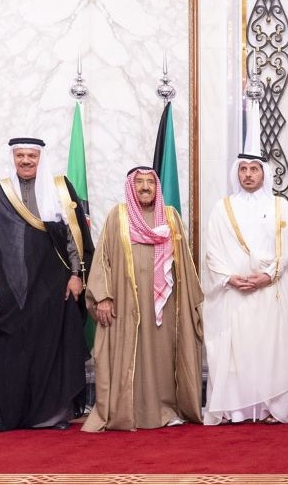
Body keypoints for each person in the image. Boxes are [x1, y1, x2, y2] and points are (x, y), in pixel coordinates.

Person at [0, 137, 93, 432]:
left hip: (55, 285)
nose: (26, 161)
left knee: (53, 351)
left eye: (31, 156)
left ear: (41, 158)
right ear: (12, 158)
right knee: (14, 352)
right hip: (11, 287)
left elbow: (74, 237)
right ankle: (12, 417)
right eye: (20, 156)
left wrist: (76, 275)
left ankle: (53, 416)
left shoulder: (60, 189)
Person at [82, 166, 204, 432]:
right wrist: (103, 297)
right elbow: (102, 259)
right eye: (139, 183)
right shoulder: (118, 217)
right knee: (130, 356)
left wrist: (190, 306)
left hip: (166, 306)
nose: (145, 187)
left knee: (163, 356)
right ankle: (129, 412)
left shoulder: (170, 218)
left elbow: (184, 263)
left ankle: (166, 408)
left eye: (150, 182)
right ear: (130, 187)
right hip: (126, 304)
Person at [202, 154, 288, 424]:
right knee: (236, 352)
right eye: (243, 169)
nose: (249, 174)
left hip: (270, 292)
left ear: (264, 174)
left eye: (254, 169)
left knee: (271, 350)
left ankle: (271, 408)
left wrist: (268, 275)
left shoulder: (279, 206)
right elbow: (212, 252)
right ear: (236, 173)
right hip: (233, 294)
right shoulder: (222, 208)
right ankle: (235, 410)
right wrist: (229, 278)